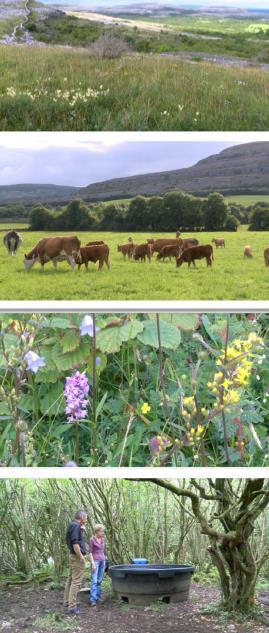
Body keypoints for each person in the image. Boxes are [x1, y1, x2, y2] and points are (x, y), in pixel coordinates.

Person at [64, 510, 87, 616]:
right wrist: (81, 556)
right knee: (76, 581)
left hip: (72, 556)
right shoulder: (76, 526)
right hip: (76, 557)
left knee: (70, 580)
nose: (86, 520)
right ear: (81, 517)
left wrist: (81, 531)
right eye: (86, 518)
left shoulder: (72, 525)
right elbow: (75, 543)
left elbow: (74, 539)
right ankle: (72, 607)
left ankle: (67, 602)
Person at [89, 524, 106, 606]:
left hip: (102, 561)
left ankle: (98, 597)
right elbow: (90, 553)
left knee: (99, 580)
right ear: (97, 531)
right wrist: (93, 564)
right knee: (94, 581)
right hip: (95, 562)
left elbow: (102, 551)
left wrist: (105, 559)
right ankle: (93, 599)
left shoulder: (103, 539)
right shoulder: (92, 540)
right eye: (102, 531)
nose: (103, 533)